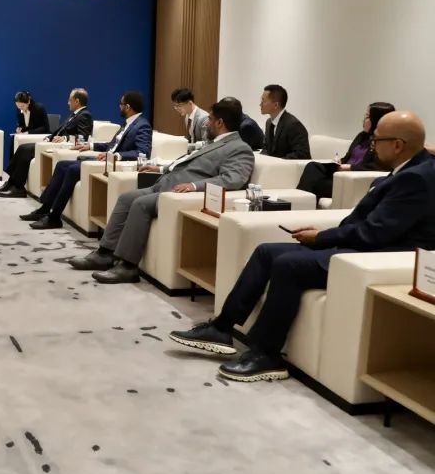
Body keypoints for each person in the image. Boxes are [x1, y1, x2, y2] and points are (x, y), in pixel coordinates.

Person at [170, 111, 435, 382]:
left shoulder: (415, 178)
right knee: (266, 251)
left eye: (376, 140)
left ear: (398, 145)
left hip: (379, 256)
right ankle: (221, 328)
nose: (371, 146)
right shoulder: (409, 168)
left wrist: (321, 238)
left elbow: (374, 233)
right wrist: (324, 235)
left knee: (289, 265)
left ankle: (266, 354)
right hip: (366, 245)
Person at [68, 100, 255, 281]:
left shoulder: (240, 148)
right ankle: (105, 254)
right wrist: (159, 168)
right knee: (126, 198)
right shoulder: (214, 142)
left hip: (178, 195)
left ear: (220, 123)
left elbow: (232, 179)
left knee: (140, 204)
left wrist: (194, 186)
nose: (206, 123)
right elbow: (186, 163)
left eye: (210, 119)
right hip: (164, 184)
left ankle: (127, 266)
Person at [22, 91, 152, 229]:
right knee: (61, 165)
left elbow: (143, 152)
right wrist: (90, 146)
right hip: (104, 159)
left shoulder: (142, 125)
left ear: (128, 107)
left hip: (114, 163)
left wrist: (117, 156)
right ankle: (44, 209)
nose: (119, 106)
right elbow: (111, 145)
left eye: (121, 104)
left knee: (72, 169)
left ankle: (54, 217)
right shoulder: (127, 124)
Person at [0, 88, 94, 198]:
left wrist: (65, 138)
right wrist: (49, 138)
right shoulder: (74, 114)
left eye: (69, 100)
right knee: (22, 148)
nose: (68, 102)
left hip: (60, 146)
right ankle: (11, 183)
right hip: (52, 142)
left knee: (26, 150)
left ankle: (18, 188)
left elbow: (83, 137)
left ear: (77, 101)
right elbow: (59, 130)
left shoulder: (85, 115)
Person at [296, 102, 395, 200]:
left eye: (367, 117)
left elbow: (378, 167)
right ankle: (299, 201)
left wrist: (350, 168)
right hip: (341, 175)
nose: (364, 120)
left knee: (314, 184)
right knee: (313, 166)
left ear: (377, 120)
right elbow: (348, 157)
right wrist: (339, 162)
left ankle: (297, 203)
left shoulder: (383, 142)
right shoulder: (362, 136)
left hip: (351, 182)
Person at [259, 84, 311, 159]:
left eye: (263, 101)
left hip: (287, 166)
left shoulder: (294, 125)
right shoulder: (269, 122)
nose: (260, 104)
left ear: (276, 105)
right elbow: (266, 148)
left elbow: (302, 154)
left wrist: (278, 162)